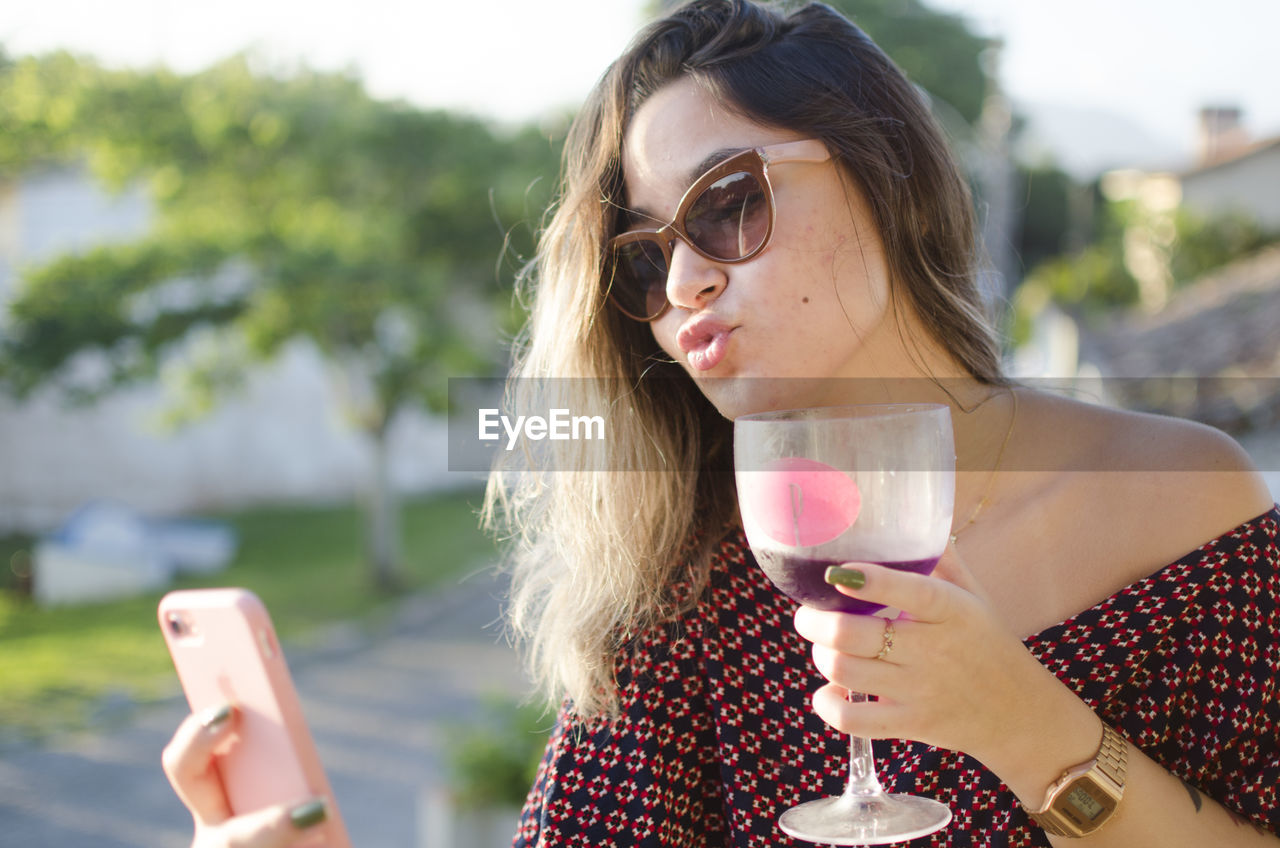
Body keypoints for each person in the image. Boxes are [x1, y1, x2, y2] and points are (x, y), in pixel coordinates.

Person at [160, 1, 1280, 846]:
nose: (683, 281)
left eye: (727, 204)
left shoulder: (1181, 501)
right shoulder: (693, 583)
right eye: (643, 258)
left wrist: (1029, 728)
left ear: (883, 177)